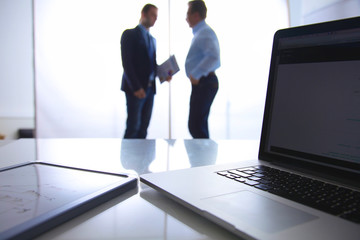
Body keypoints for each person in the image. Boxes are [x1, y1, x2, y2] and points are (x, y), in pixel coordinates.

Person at [121, 4, 170, 138]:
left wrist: (164, 74)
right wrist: (136, 88)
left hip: (149, 90)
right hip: (135, 89)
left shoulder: (152, 40)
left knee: (143, 128)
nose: (155, 19)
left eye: (156, 16)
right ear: (144, 14)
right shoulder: (129, 34)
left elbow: (151, 65)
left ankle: (141, 159)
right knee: (133, 127)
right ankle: (128, 159)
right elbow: (127, 63)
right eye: (153, 15)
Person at [185, 0, 220, 139]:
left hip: (204, 82)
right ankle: (204, 159)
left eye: (188, 13)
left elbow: (213, 56)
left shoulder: (205, 32)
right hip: (203, 82)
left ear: (196, 15)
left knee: (196, 126)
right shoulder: (200, 33)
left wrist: (197, 74)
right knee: (198, 125)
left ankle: (205, 159)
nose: (186, 17)